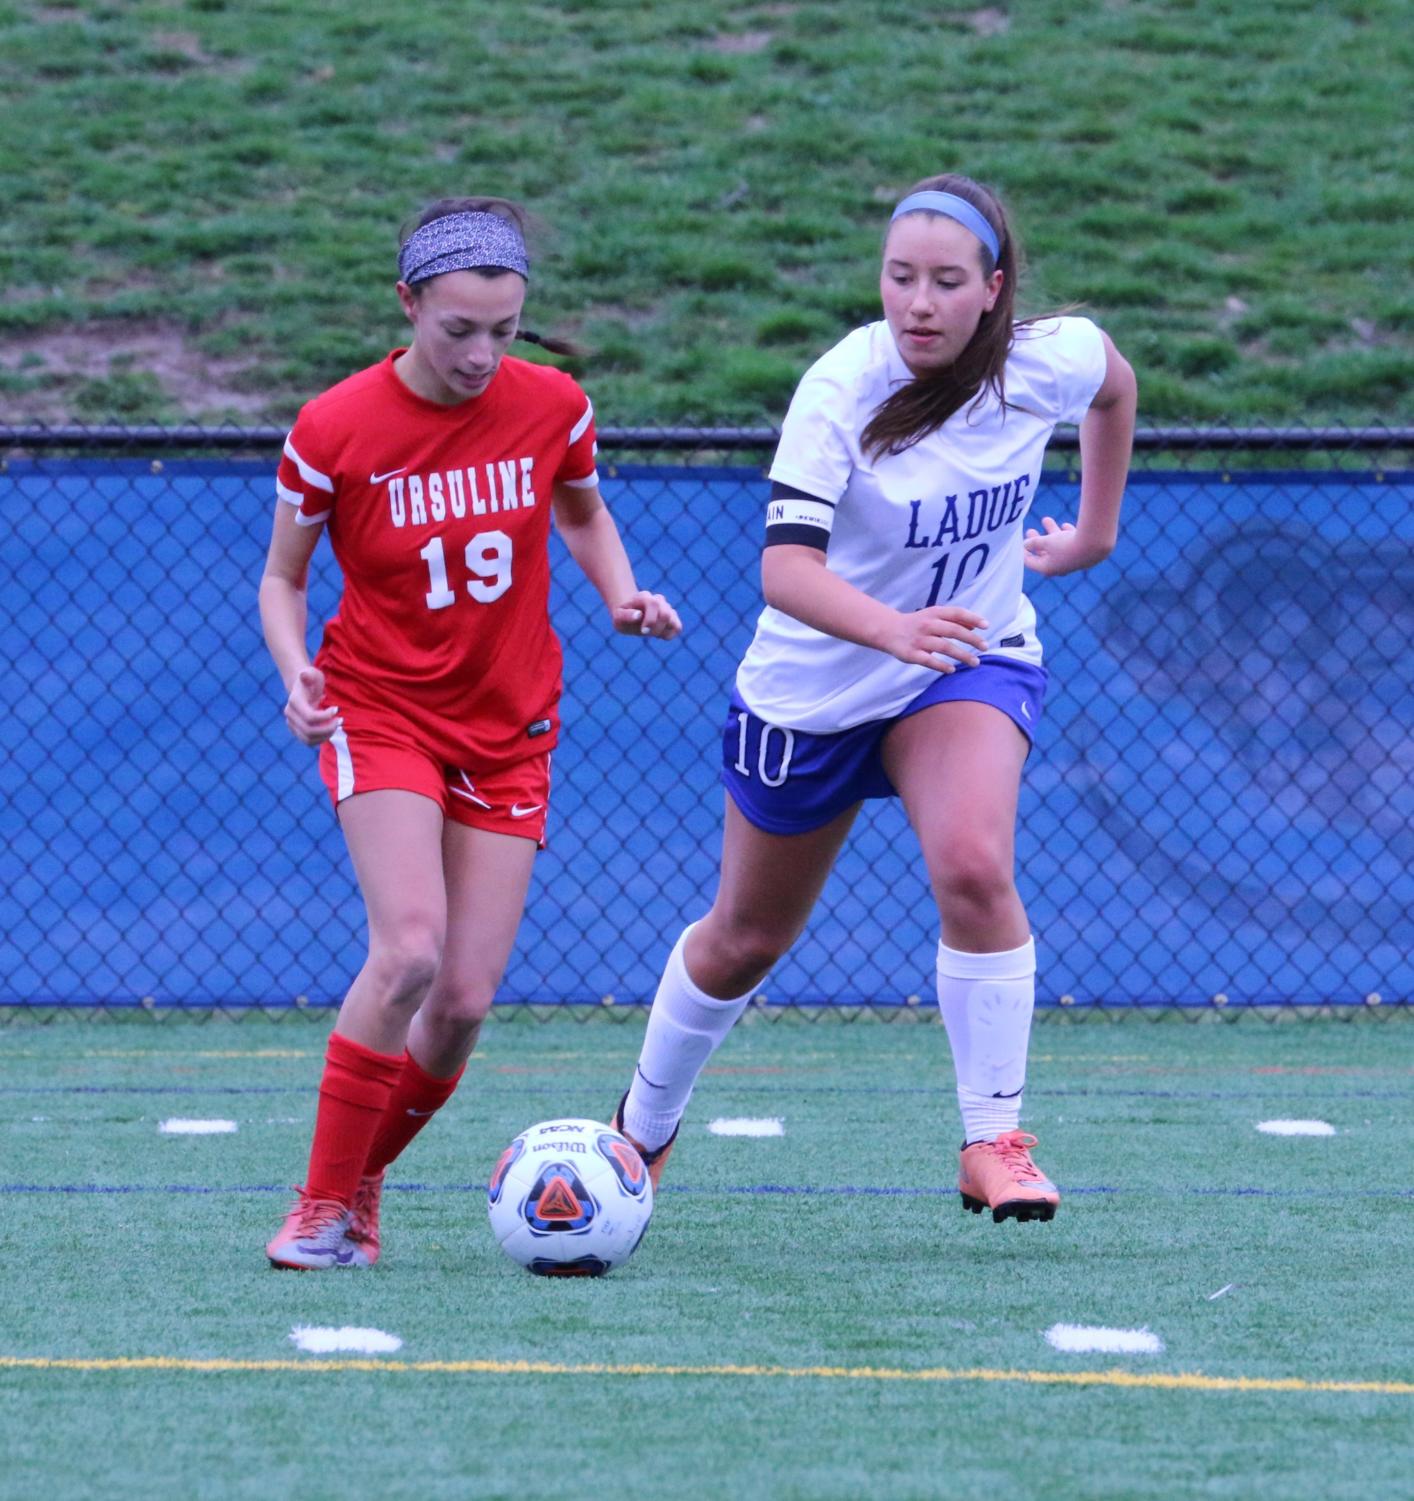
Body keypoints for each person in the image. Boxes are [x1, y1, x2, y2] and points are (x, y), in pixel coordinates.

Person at [611, 172, 1136, 1224]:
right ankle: (641, 1131)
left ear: (994, 289)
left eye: (946, 281)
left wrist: (1094, 533)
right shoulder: (840, 390)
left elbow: (1115, 387)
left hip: (965, 664)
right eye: (901, 278)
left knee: (975, 864)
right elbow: (784, 574)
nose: (919, 302)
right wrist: (893, 628)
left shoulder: (1049, 357)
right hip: (813, 691)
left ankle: (993, 1139)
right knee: (745, 937)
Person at [259, 196, 681, 1269]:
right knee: (407, 949)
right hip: (382, 708)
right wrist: (296, 673)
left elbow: (580, 509)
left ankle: (359, 1184)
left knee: (461, 1001)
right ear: (407, 305)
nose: (483, 354)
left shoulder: (554, 406)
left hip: (508, 723)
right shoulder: (334, 428)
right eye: (458, 330)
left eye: (504, 329)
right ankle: (317, 1214)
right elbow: (282, 577)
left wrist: (622, 593)